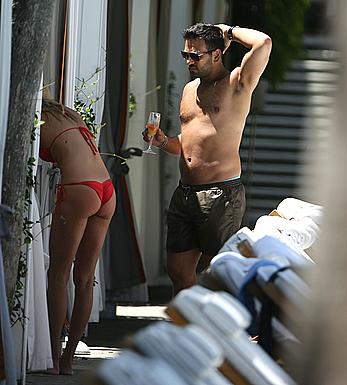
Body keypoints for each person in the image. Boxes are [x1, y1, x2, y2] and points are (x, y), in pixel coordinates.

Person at [142, 23, 272, 295]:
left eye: (195, 55)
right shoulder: (190, 90)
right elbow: (187, 144)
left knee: (221, 273)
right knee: (178, 271)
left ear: (216, 54)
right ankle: (187, 332)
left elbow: (264, 43)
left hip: (220, 194)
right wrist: (163, 141)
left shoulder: (237, 84)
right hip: (185, 192)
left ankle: (230, 332)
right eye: (185, 55)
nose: (189, 61)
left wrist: (228, 30)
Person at [39, 98, 116, 374]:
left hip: (80, 188)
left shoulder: (40, 120)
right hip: (106, 189)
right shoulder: (69, 115)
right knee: (84, 280)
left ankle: (51, 359)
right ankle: (69, 359)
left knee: (58, 275)